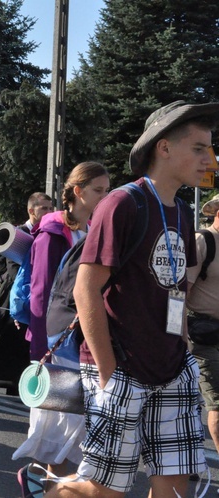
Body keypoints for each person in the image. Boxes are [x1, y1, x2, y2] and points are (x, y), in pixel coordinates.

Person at [46, 101, 218, 497]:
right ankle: (48, 491)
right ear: (164, 148)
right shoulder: (123, 203)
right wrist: (108, 374)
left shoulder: (181, 212)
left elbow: (178, 287)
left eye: (209, 149)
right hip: (121, 369)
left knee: (176, 488)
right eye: (198, 148)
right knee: (104, 489)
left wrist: (184, 346)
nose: (208, 159)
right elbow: (84, 289)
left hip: (171, 368)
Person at [14, 163, 110, 497]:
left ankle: (45, 484)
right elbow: (40, 293)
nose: (105, 197)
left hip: (82, 340)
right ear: (78, 192)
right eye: (99, 190)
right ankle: (39, 482)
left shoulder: (96, 230)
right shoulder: (54, 231)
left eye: (108, 190)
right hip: (57, 343)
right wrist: (41, 351)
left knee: (74, 429)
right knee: (59, 426)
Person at [0, 192, 52, 402]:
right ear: (31, 210)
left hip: (34, 297)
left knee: (23, 343)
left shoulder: (46, 234)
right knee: (0, 339)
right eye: (43, 208)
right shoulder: (19, 233)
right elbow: (11, 268)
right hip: (11, 298)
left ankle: (15, 385)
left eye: (50, 208)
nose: (48, 212)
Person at [186, 195, 219, 463]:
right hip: (204, 335)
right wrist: (178, 334)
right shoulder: (203, 241)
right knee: (218, 404)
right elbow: (180, 291)